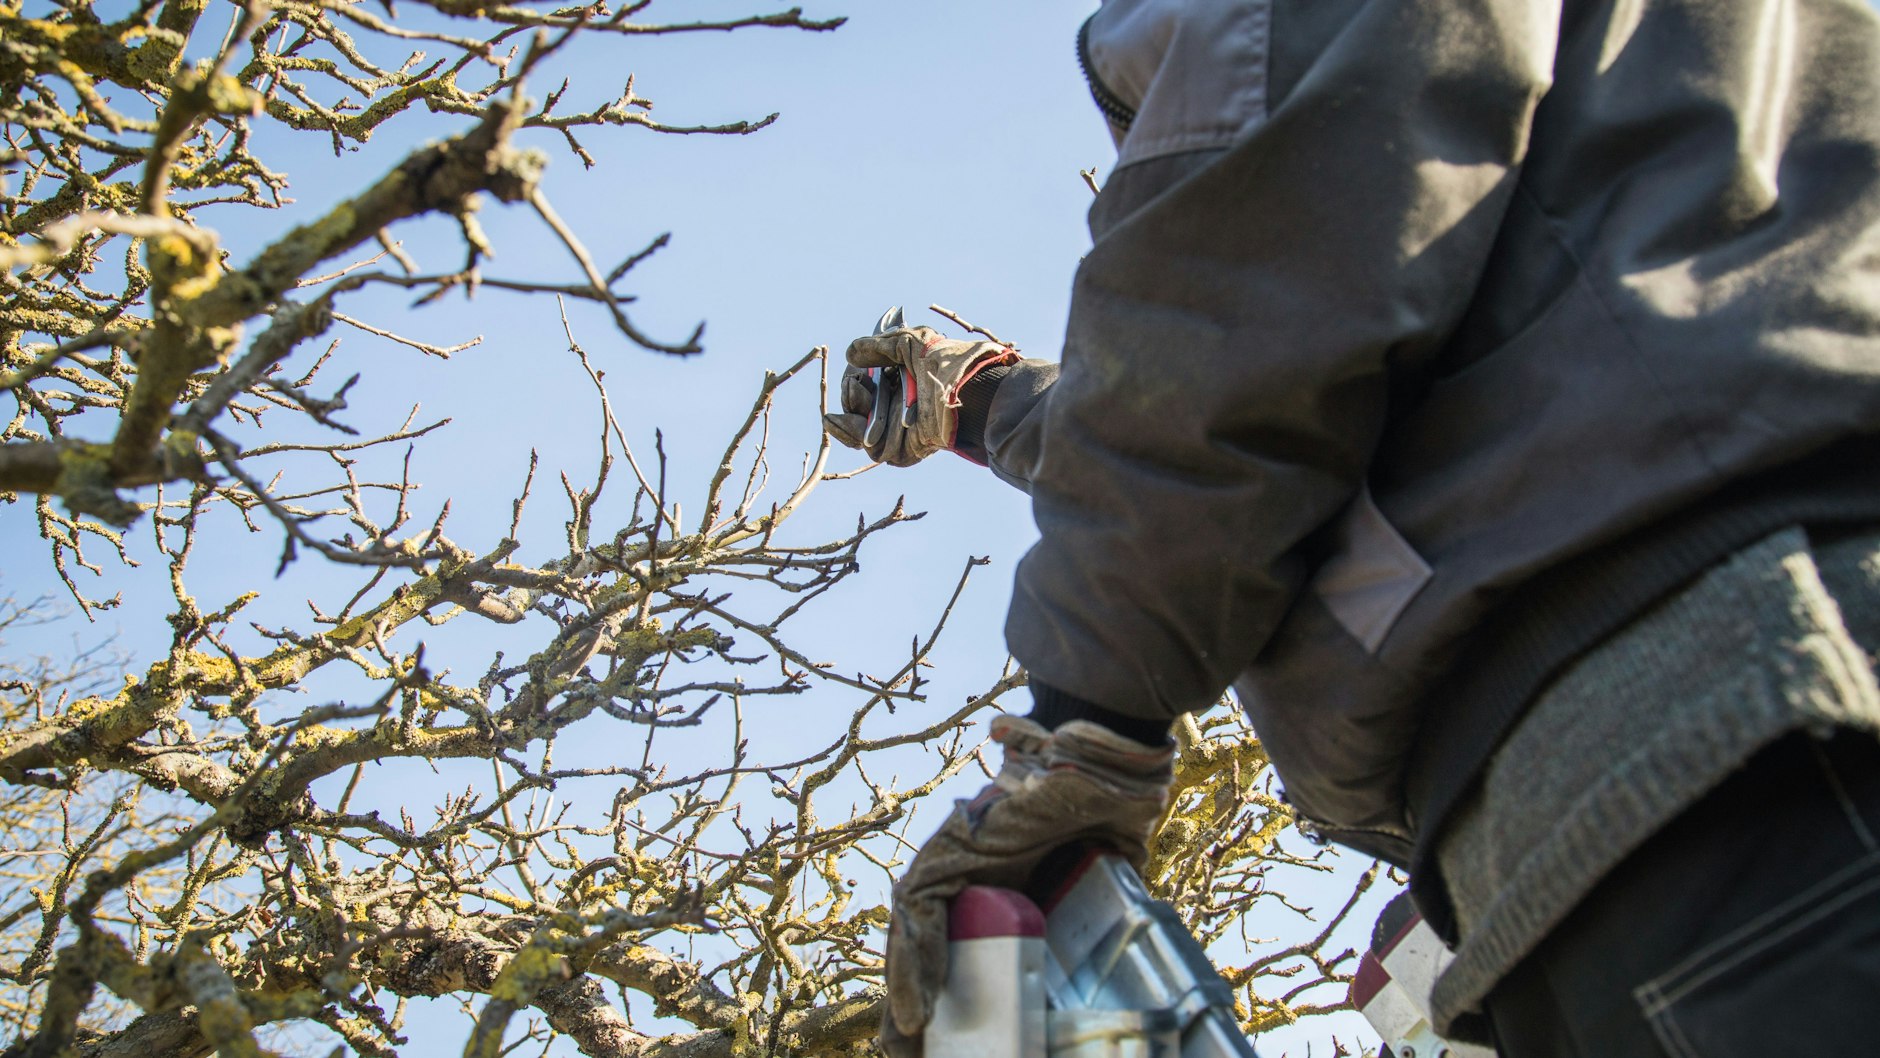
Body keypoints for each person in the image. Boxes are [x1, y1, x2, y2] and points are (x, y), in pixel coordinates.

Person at [823, 0, 1880, 1055]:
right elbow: (1290, 368)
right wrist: (983, 402)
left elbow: (1255, 311)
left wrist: (1080, 726)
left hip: (1716, 725)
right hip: (1731, 698)